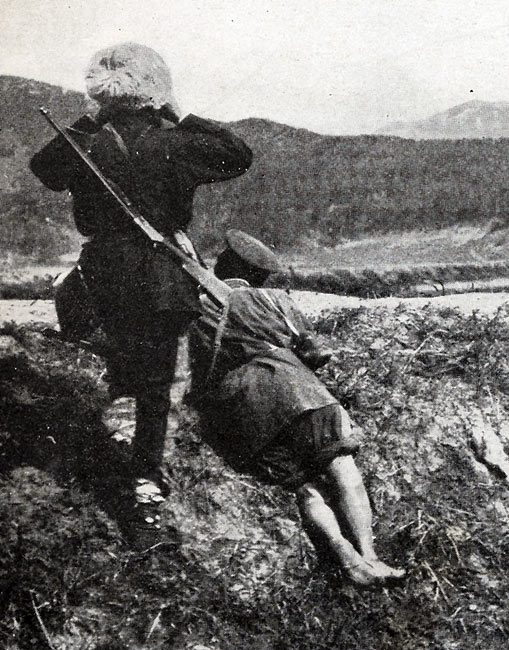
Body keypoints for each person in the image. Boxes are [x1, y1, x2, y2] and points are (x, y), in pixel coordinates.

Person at [28, 43, 254, 540]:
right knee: (155, 389)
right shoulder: (174, 142)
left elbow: (44, 170)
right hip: (159, 276)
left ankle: (110, 445)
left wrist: (89, 121)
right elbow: (239, 155)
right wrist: (183, 114)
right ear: (154, 87)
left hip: (102, 276)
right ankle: (143, 492)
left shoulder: (87, 143)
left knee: (120, 365)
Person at [187, 231, 405, 585]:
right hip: (296, 389)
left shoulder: (197, 306)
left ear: (222, 265)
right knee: (341, 468)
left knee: (305, 487)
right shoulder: (275, 301)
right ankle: (370, 555)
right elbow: (314, 353)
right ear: (258, 275)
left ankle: (341, 553)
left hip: (242, 409)